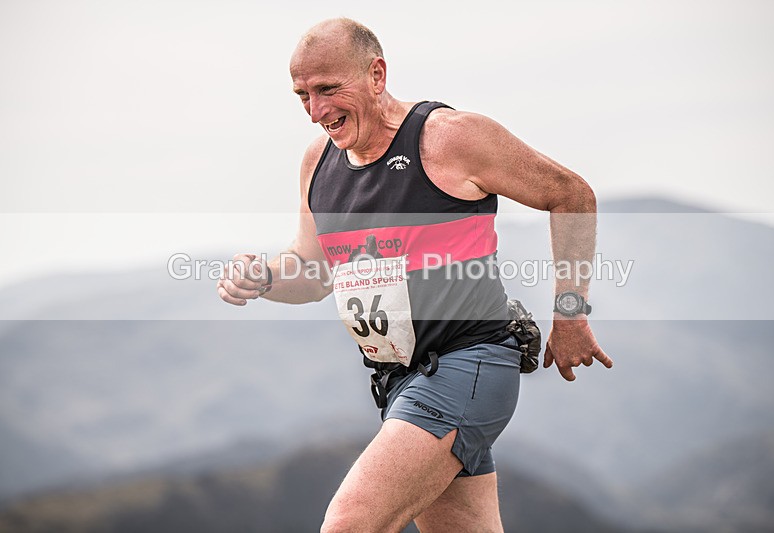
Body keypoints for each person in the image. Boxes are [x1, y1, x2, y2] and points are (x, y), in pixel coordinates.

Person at [217, 18, 613, 533]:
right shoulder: (318, 163)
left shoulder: (449, 138)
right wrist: (264, 277)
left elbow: (571, 195)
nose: (315, 111)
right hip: (400, 379)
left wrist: (570, 313)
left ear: (376, 75)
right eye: (302, 96)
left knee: (349, 524)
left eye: (328, 89)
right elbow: (313, 273)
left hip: (468, 365)